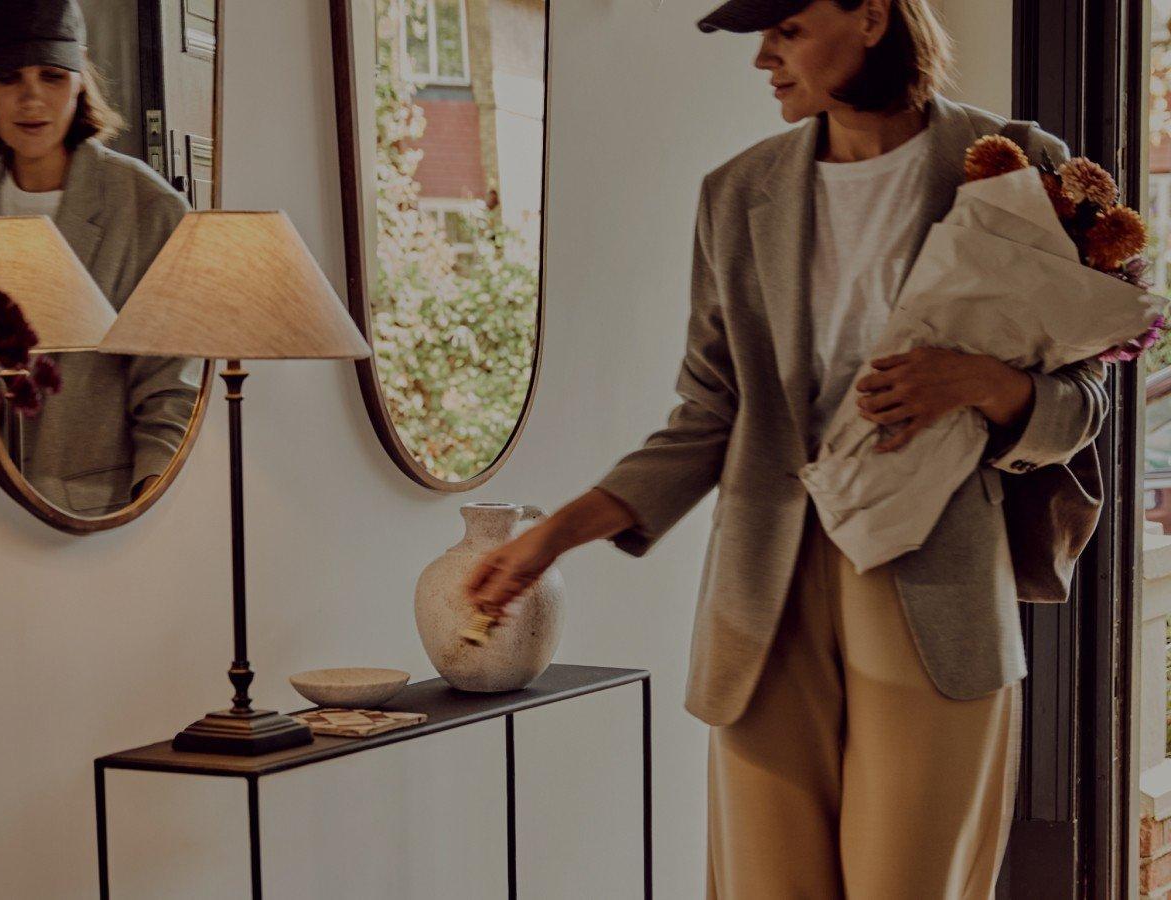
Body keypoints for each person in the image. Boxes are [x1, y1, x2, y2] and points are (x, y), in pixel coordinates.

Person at [463, 0, 1106, 896]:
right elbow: (711, 411)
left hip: (935, 583)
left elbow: (1081, 402)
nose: (763, 56)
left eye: (788, 28)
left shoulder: (1010, 166)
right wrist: (553, 535)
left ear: (874, 16)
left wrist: (978, 384)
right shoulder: (738, 193)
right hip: (764, 590)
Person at [0, 0, 202, 517]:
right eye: (7, 76)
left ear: (80, 72)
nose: (32, 98)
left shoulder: (149, 209)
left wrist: (145, 517)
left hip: (100, 518)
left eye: (52, 74)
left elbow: (170, 391)